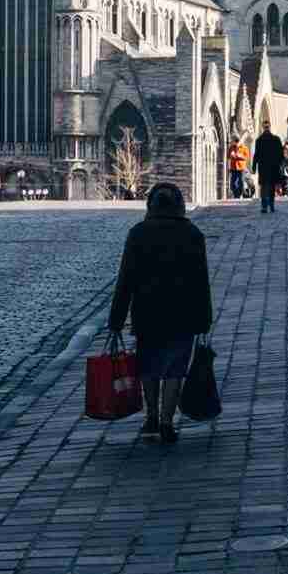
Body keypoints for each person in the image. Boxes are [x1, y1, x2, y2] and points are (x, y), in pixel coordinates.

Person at [108, 182, 212, 445]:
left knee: (150, 367)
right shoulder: (192, 233)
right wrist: (204, 318)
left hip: (148, 313)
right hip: (183, 313)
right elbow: (201, 280)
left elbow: (126, 280)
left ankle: (152, 416)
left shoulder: (138, 233)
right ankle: (167, 421)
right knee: (175, 369)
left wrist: (116, 319)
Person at [254, 121, 285, 215]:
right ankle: (268, 205)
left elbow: (280, 154)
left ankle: (267, 205)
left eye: (267, 127)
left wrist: (254, 166)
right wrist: (254, 166)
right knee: (267, 186)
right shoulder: (264, 140)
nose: (266, 128)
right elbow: (257, 154)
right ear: (264, 127)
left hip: (267, 167)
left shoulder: (263, 140)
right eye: (265, 127)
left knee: (268, 186)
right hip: (270, 167)